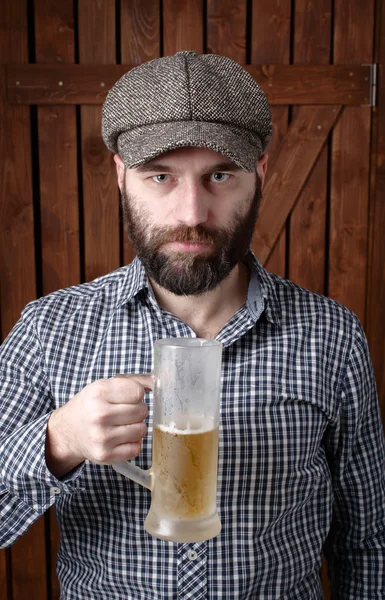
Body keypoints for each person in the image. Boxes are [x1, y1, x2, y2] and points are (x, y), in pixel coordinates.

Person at [0, 50, 384, 599]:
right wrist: (57, 441)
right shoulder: (50, 330)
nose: (190, 214)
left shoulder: (331, 335)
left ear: (259, 173)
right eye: (160, 177)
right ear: (121, 176)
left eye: (220, 175)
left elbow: (368, 541)